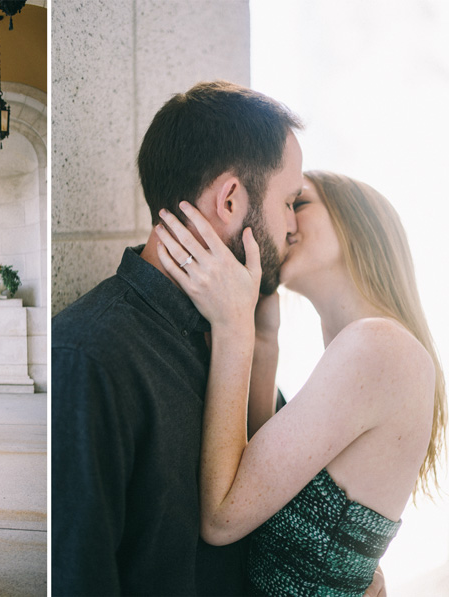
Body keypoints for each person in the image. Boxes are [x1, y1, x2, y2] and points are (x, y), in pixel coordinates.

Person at [52, 81, 307, 596]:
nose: (294, 226)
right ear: (231, 199)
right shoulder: (88, 357)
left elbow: (281, 511)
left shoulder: (231, 326)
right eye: (289, 202)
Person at [155, 171, 445, 595]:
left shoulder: (377, 345)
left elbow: (221, 518)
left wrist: (233, 328)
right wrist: (263, 342)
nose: (283, 221)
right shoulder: (367, 348)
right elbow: (256, 481)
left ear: (356, 226)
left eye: (299, 203)